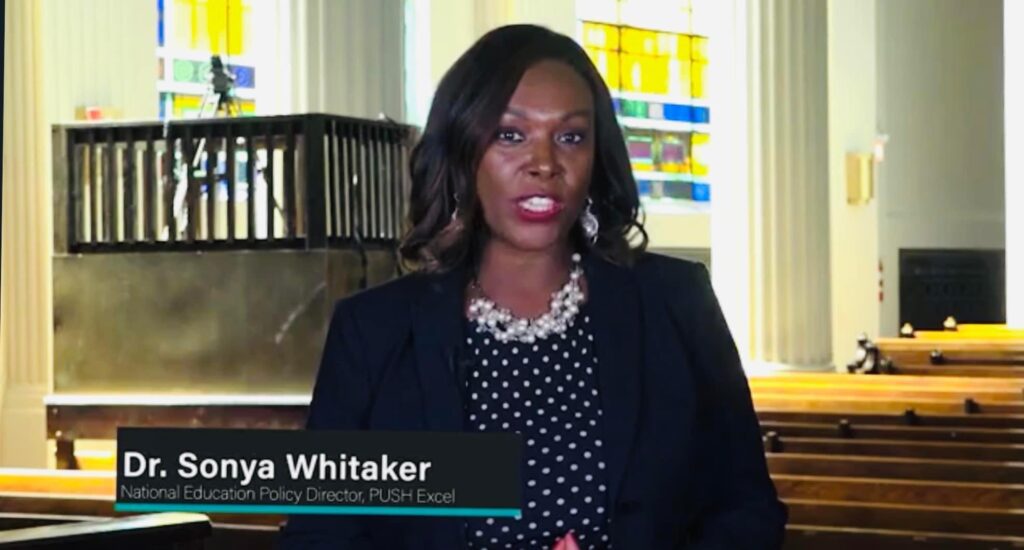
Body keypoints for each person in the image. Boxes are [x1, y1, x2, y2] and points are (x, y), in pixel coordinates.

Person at [281, 24, 786, 550]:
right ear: (463, 152)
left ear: (597, 155)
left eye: (570, 137)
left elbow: (746, 509)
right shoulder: (373, 331)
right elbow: (319, 535)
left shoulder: (676, 302)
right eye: (510, 135)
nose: (544, 164)